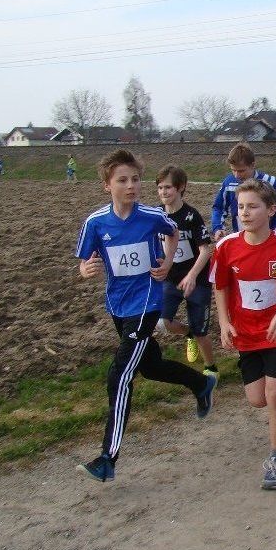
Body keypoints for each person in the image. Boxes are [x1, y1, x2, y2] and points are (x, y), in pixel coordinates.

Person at [74, 149, 216, 482]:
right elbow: (84, 260)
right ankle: (201, 383)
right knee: (150, 366)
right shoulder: (96, 223)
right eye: (122, 180)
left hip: (147, 305)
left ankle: (107, 458)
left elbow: (173, 233)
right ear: (107, 185)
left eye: (136, 179)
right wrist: (86, 268)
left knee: (119, 376)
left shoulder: (152, 216)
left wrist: (167, 263)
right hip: (118, 306)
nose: (131, 185)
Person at [211, 178, 276, 489]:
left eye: (252, 206)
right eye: (240, 207)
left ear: (271, 210)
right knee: (257, 399)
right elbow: (221, 286)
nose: (245, 212)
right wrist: (225, 323)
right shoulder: (227, 247)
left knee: (274, 394)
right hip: (247, 334)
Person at [156, 165, 218, 378]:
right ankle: (186, 332)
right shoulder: (156, 216)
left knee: (202, 330)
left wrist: (192, 276)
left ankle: (210, 367)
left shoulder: (191, 216)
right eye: (160, 187)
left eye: (168, 187)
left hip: (197, 280)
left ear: (181, 187)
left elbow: (205, 251)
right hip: (170, 280)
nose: (163, 192)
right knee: (161, 322)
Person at [212, 142, 276, 240]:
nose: (236, 175)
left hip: (270, 238)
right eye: (233, 170)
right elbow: (219, 207)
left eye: (241, 171)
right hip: (242, 238)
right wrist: (218, 228)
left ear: (252, 165)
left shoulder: (271, 182)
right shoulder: (229, 183)